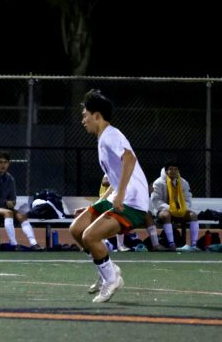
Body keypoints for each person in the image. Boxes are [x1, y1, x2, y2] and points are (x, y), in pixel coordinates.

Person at [69, 89, 149, 303]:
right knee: (76, 229)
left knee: (89, 236)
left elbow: (130, 159)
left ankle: (111, 280)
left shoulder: (110, 135)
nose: (83, 120)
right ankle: (107, 269)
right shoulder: (103, 139)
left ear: (97, 116)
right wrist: (97, 204)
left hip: (133, 201)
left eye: (85, 115)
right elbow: (115, 179)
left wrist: (121, 195)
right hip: (118, 195)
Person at [0, 151, 44, 251]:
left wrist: (11, 203)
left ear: (8, 164)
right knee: (8, 212)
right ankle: (14, 244)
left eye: (5, 162)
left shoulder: (10, 179)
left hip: (4, 208)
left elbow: (13, 199)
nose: (3, 165)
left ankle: (34, 243)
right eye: (0, 162)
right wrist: (5, 203)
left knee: (21, 215)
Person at [151, 161, 199, 252]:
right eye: (171, 169)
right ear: (166, 171)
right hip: (162, 210)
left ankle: (194, 245)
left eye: (176, 169)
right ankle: (171, 244)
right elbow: (156, 201)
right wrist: (171, 208)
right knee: (166, 215)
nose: (173, 171)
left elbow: (188, 198)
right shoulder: (158, 183)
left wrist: (182, 208)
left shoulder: (183, 182)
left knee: (193, 215)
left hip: (180, 210)